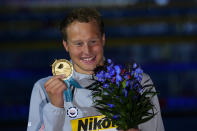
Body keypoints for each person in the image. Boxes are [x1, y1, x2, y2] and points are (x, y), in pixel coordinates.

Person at [27, 8, 164, 131]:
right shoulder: (44, 89)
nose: (87, 51)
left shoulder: (136, 82)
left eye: (93, 41)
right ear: (66, 45)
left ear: (103, 39)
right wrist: (55, 108)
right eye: (78, 44)